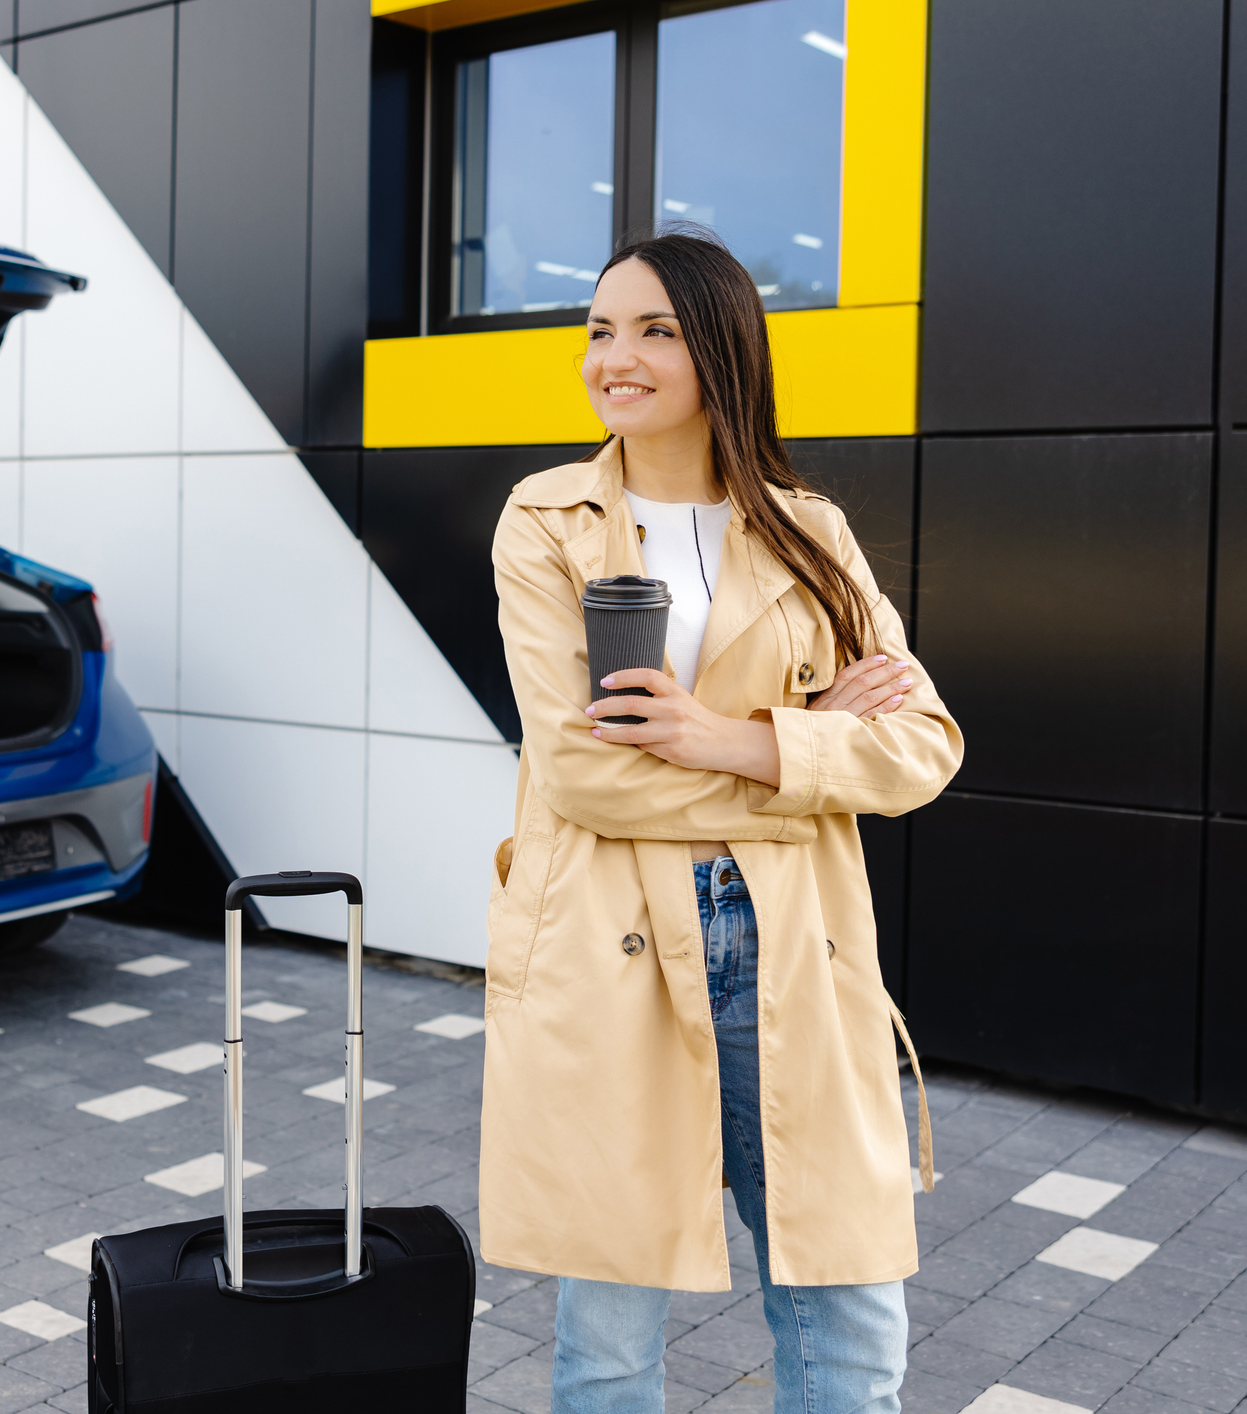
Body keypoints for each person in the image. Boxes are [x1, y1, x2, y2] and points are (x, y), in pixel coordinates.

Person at [480, 230, 965, 1414]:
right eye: (600, 329)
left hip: (794, 943)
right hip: (610, 945)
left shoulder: (813, 531)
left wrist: (723, 737)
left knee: (848, 1313)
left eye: (654, 329)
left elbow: (920, 746)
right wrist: (803, 762)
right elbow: (583, 776)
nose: (616, 356)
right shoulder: (547, 521)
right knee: (608, 1329)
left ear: (721, 349)